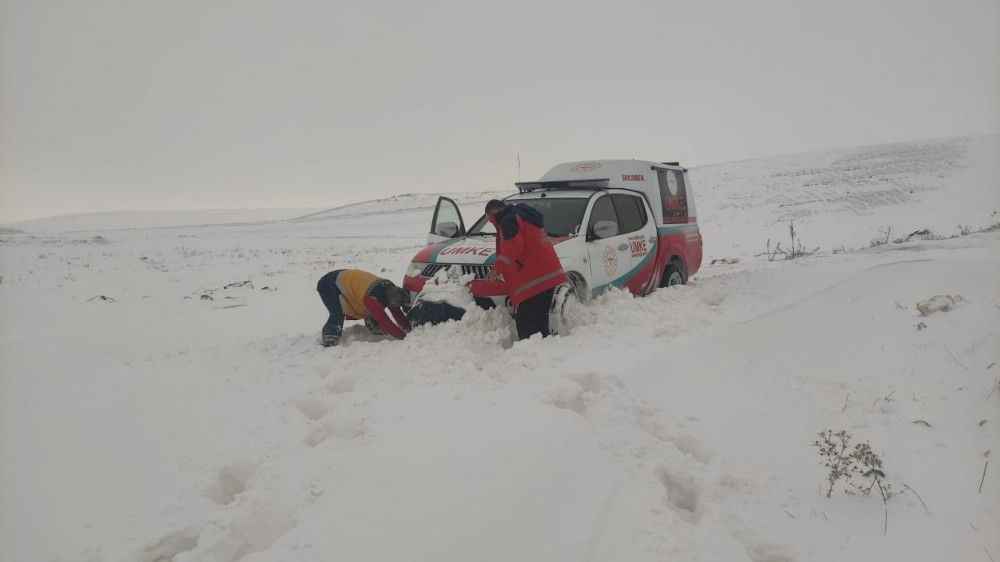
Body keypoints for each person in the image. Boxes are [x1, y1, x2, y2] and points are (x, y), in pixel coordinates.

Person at [483, 199, 567, 340]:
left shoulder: (508, 221)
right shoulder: (522, 215)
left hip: (533, 282)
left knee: (527, 328)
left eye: (490, 220)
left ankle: (531, 355)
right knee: (542, 322)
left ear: (492, 214)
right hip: (548, 275)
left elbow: (512, 249)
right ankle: (546, 352)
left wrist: (496, 270)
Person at [315, 269, 411, 347]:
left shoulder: (391, 291)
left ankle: (373, 326)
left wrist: (409, 328)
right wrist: (404, 337)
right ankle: (330, 337)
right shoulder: (372, 297)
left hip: (347, 279)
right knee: (337, 313)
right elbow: (385, 321)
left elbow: (397, 313)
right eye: (396, 304)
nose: (396, 307)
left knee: (373, 310)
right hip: (329, 284)